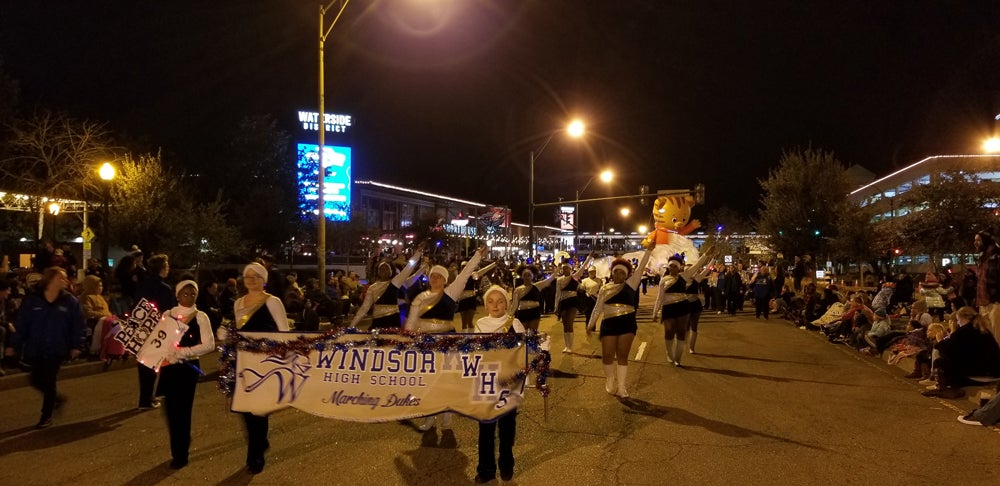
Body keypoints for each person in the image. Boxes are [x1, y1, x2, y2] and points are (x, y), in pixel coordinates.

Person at [405, 246, 485, 431]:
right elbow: (411, 321)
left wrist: (476, 256)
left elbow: (465, 274)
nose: (435, 279)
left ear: (444, 280)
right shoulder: (421, 298)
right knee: (428, 381)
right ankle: (430, 417)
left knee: (446, 380)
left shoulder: (451, 293)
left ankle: (447, 416)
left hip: (448, 342)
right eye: (433, 276)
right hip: (426, 344)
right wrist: (408, 341)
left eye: (439, 277)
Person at [4, 267, 86, 428]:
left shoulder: (69, 301)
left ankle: (46, 415)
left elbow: (78, 325)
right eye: (60, 278)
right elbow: (22, 324)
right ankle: (57, 400)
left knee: (49, 380)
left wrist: (77, 345)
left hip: (57, 347)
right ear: (50, 279)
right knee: (35, 379)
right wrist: (13, 345)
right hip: (36, 345)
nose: (64, 281)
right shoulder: (34, 300)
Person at [229, 262, 290, 474]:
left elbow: (284, 332)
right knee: (245, 409)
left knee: (259, 410)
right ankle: (260, 442)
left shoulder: (272, 302)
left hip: (264, 364)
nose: (252, 280)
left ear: (264, 279)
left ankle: (255, 457)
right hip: (242, 363)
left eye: (256, 276)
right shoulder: (238, 303)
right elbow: (237, 331)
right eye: (248, 276)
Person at [157, 280, 215, 469]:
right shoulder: (168, 314)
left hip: (187, 368)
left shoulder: (201, 317)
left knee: (183, 411)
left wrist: (183, 352)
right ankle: (178, 444)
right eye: (185, 293)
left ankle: (181, 454)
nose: (189, 297)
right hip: (168, 367)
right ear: (177, 294)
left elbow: (209, 345)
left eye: (192, 294)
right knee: (172, 411)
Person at [473, 286, 526, 483]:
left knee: (507, 428)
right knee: (485, 428)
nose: (495, 305)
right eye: (491, 301)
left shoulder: (515, 323)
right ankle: (486, 470)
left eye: (500, 301)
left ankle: (506, 466)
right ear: (486, 304)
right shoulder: (480, 324)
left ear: (507, 303)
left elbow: (524, 350)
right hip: (486, 383)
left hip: (509, 383)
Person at [587, 242, 654, 397]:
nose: (619, 275)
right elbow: (598, 307)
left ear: (626, 275)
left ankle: (622, 386)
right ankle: (610, 379)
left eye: (622, 273)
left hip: (627, 323)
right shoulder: (605, 288)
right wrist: (591, 325)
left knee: (622, 355)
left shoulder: (632, 283)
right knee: (608, 355)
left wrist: (649, 250)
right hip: (609, 323)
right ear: (612, 273)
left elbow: (642, 264)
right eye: (616, 272)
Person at [922, 306, 1000, 399]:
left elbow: (949, 352)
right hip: (993, 374)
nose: (958, 323)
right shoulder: (984, 331)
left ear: (964, 319)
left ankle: (946, 388)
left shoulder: (964, 331)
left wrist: (940, 341)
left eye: (958, 320)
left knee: (940, 362)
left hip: (975, 376)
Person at [133, 254, 175, 410]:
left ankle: (144, 398)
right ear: (162, 269)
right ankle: (148, 399)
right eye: (167, 265)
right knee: (153, 364)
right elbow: (168, 311)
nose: (168, 268)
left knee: (143, 363)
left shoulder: (142, 285)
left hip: (141, 328)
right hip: (157, 330)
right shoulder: (164, 288)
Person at [350, 245, 424, 329]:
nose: (383, 271)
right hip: (378, 320)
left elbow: (408, 268)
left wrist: (418, 253)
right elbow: (364, 308)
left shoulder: (395, 282)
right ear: (378, 271)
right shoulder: (372, 287)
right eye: (381, 269)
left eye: (386, 269)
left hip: (393, 319)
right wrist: (351, 326)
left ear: (391, 271)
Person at [554, 255, 593, 353]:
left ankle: (570, 347)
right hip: (563, 302)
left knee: (569, 323)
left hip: (573, 302)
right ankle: (566, 345)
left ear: (570, 269)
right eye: (564, 268)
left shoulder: (574, 277)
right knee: (564, 324)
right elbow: (557, 293)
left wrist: (588, 257)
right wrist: (556, 306)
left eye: (567, 268)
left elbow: (583, 267)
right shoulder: (559, 280)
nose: (565, 269)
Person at [457, 254, 496, 333]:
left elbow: (483, 270)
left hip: (471, 299)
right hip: (462, 300)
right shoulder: (458, 277)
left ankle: (472, 338)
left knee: (469, 321)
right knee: (464, 322)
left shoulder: (472, 275)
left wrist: (494, 264)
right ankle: (464, 338)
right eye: (462, 267)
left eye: (465, 267)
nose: (464, 269)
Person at [974, 231, 1000, 348]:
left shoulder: (997, 256)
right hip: (983, 302)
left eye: (978, 240)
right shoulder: (982, 257)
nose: (975, 243)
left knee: (997, 335)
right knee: (987, 334)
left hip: (995, 302)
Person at [511, 264, 556, 332]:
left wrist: (557, 269)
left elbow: (549, 280)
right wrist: (509, 316)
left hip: (534, 311)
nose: (527, 277)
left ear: (532, 276)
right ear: (522, 277)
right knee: (523, 333)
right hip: (522, 312)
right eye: (525, 275)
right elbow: (514, 305)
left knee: (533, 333)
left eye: (529, 275)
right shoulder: (518, 290)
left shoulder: (537, 286)